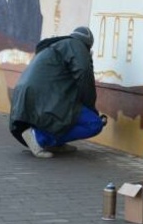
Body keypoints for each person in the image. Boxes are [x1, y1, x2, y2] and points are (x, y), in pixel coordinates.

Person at [9, 26, 105, 159]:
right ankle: (39, 137)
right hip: (46, 98)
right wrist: (91, 107)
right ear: (87, 45)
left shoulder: (56, 46)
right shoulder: (76, 45)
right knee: (94, 123)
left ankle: (56, 143)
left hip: (29, 96)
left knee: (69, 113)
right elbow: (84, 74)